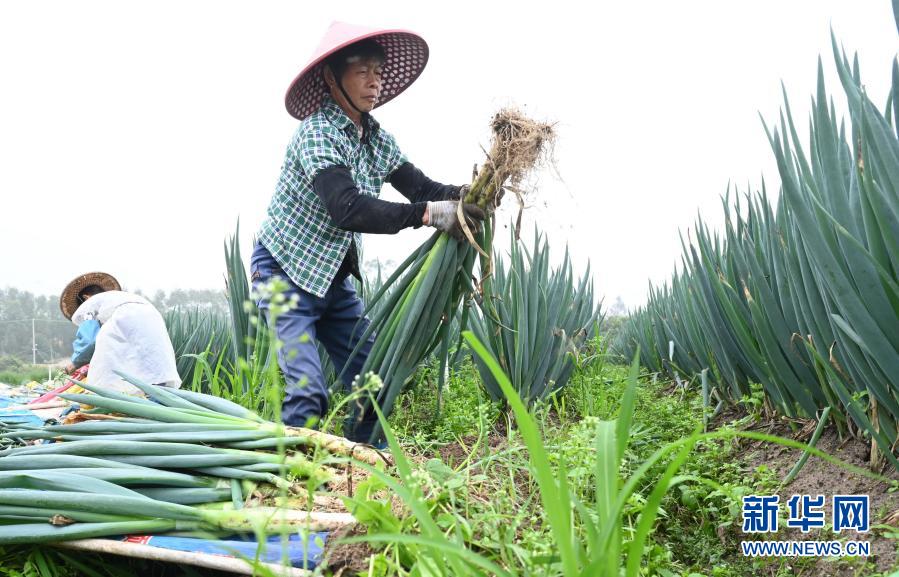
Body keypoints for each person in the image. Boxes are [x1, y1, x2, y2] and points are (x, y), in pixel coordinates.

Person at [251, 22, 486, 443]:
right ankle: (285, 481)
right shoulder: (316, 134)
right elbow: (348, 209)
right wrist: (430, 215)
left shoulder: (375, 138)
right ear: (332, 77)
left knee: (374, 382)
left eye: (377, 72)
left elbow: (421, 188)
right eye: (362, 72)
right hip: (283, 274)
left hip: (333, 278)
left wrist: (471, 194)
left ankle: (358, 465)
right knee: (308, 392)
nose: (373, 82)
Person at [60, 272, 181, 395]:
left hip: (128, 320)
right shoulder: (125, 300)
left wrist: (73, 364)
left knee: (108, 381)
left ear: (86, 298)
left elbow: (89, 341)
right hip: (154, 319)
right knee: (150, 366)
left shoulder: (90, 307)